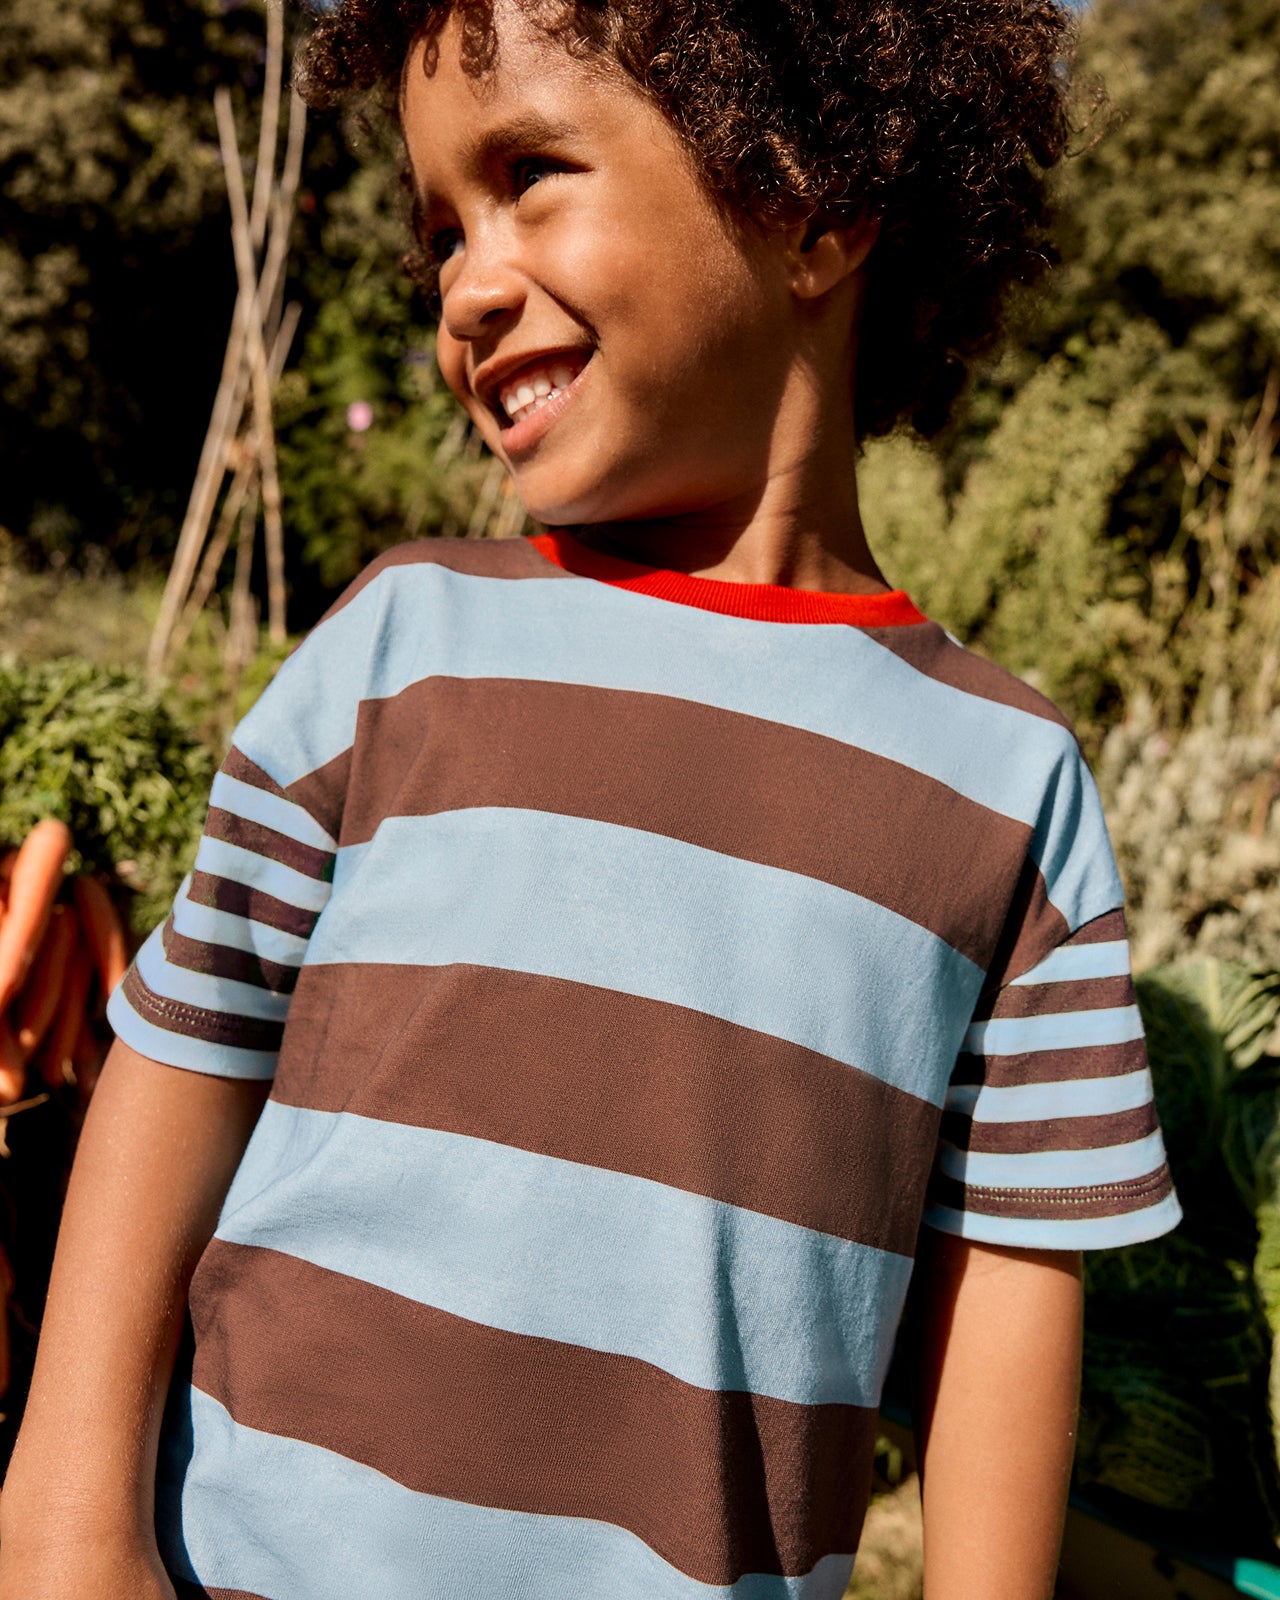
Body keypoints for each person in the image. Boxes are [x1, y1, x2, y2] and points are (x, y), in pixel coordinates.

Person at [0, 1, 1181, 1595]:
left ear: (816, 203)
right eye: (440, 234)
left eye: (532, 174)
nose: (467, 289)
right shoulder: (402, 646)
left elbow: (1006, 1300)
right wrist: (69, 1529)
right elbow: (179, 1062)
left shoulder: (1005, 784)